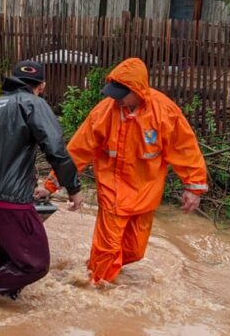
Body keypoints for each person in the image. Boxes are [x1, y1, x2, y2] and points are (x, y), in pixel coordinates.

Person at [66, 57, 208, 285]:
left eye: (121, 94)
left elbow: (185, 149)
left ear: (137, 90)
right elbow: (78, 150)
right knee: (108, 252)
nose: (116, 99)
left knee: (134, 251)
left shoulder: (164, 112)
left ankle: (94, 272)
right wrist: (52, 183)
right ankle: (97, 293)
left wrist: (194, 187)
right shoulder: (103, 113)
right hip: (112, 193)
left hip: (145, 196)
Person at [0, 59, 81, 299]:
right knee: (35, 264)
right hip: (11, 202)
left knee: (7, 269)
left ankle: (1, 321)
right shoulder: (34, 104)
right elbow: (56, 150)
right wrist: (73, 187)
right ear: (42, 85)